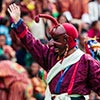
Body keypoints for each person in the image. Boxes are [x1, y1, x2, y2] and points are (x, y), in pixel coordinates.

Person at [8, 3, 100, 100]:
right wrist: (18, 22)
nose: (51, 43)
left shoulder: (86, 61)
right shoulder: (50, 54)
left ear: (66, 40)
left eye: (56, 40)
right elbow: (32, 44)